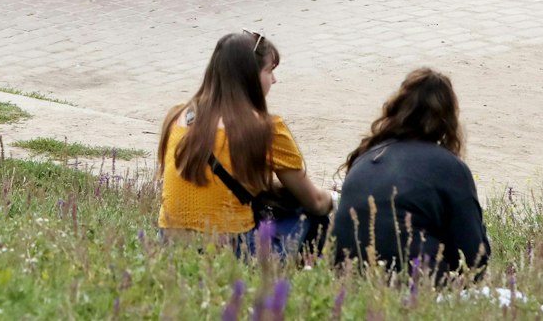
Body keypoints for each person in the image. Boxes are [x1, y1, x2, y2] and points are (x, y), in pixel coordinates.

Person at [157, 31, 333, 258]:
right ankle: (309, 278)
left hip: (170, 246)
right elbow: (315, 201)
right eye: (269, 71)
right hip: (230, 249)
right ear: (250, 77)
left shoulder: (178, 117)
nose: (274, 80)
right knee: (309, 214)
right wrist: (333, 200)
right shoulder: (266, 128)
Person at [329, 67, 489, 277]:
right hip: (415, 285)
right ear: (448, 118)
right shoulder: (450, 167)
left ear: (398, 108)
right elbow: (474, 257)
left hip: (348, 281)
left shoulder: (367, 156)